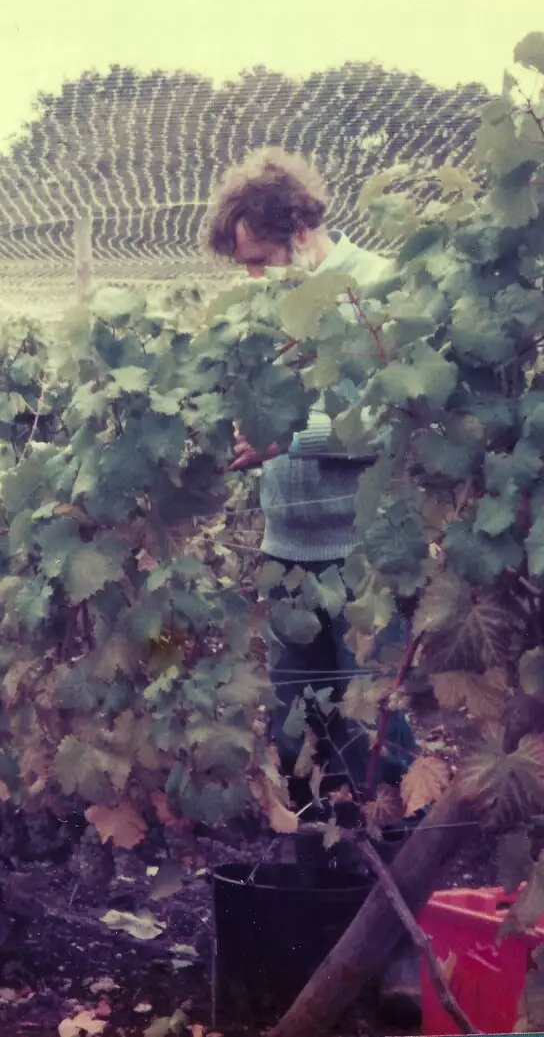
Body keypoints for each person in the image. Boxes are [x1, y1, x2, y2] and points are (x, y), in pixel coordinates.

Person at [205, 147, 422, 1018]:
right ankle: (328, 930)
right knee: (300, 735)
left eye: (258, 258)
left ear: (297, 227)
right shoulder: (265, 309)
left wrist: (282, 439)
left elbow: (390, 417)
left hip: (365, 555)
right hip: (286, 550)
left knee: (381, 740)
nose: (252, 276)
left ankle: (400, 945)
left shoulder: (377, 284)